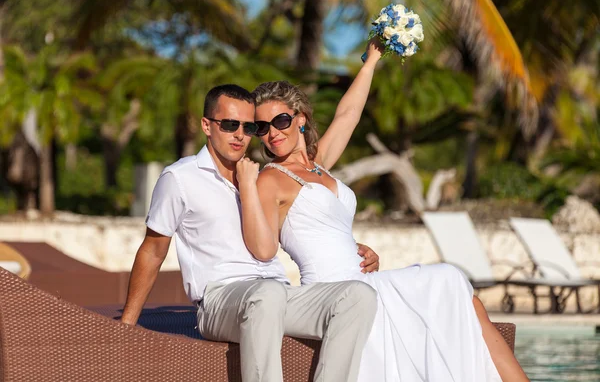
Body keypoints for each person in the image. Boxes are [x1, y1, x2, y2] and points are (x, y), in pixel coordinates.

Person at [236, 40, 530, 381]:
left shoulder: (319, 166)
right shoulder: (270, 179)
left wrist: (372, 60)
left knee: (460, 292)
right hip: (333, 290)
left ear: (300, 119)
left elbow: (348, 113)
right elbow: (262, 249)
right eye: (262, 127)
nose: (272, 133)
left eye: (281, 121)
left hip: (363, 277)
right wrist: (246, 186)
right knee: (450, 281)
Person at [121, 84, 380, 382]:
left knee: (357, 295)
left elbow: (300, 226)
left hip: (278, 294)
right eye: (230, 125)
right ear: (207, 125)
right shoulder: (180, 178)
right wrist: (126, 325)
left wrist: (352, 246)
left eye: (248, 126)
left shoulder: (260, 176)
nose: (239, 135)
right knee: (266, 295)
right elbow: (153, 251)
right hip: (219, 301)